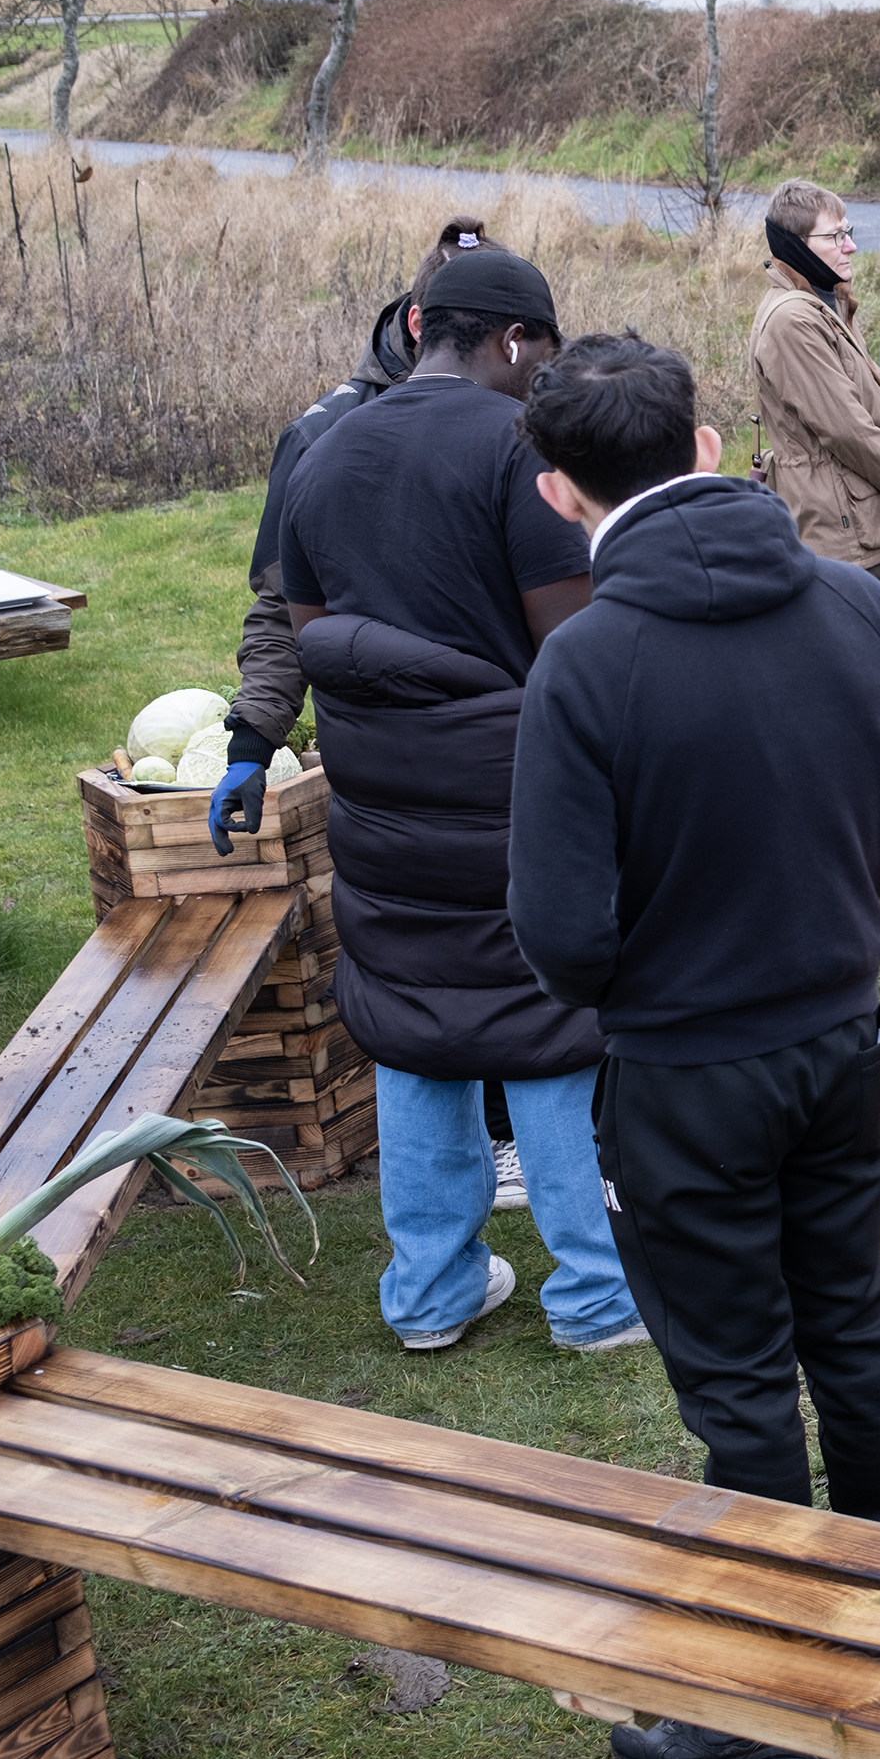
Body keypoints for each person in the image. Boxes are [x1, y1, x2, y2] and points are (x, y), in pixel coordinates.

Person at [509, 335, 880, 1759]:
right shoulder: (851, 606)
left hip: (689, 1069)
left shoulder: (586, 661)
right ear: (707, 442)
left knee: (733, 1378)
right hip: (838, 1041)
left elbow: (562, 935)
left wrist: (693, 957)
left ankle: (778, 1702)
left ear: (557, 491)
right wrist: (820, 904)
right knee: (847, 1328)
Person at [275, 245, 644, 1357]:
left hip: (377, 795)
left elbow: (308, 638)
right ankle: (593, 1297)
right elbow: (575, 651)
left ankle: (430, 1294)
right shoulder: (517, 451)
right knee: (546, 1025)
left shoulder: (325, 452)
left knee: (413, 1020)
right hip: (507, 791)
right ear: (516, 343)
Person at [215, 214, 488, 831]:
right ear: (419, 325)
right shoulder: (320, 441)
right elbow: (285, 610)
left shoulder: (523, 408)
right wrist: (252, 742)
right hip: (381, 747)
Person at [750, 178, 880, 587]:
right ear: (796, 246)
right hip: (836, 534)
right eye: (835, 236)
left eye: (847, 232)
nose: (850, 245)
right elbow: (847, 428)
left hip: (862, 518)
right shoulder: (793, 321)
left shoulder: (827, 304)